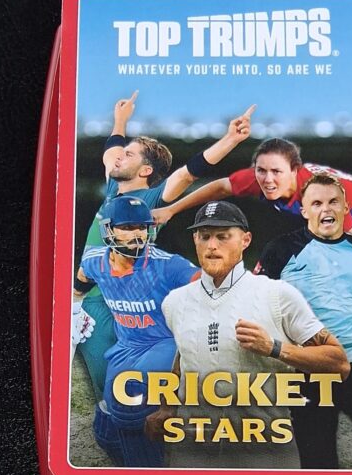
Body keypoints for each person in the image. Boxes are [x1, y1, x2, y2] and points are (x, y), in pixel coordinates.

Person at [75, 93, 256, 405]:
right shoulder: (113, 187)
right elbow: (111, 151)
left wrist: (230, 140)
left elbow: (189, 171)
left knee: (126, 389)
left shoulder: (154, 198)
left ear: (146, 171)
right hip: (94, 294)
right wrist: (120, 120)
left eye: (129, 155)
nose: (118, 158)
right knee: (107, 390)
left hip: (126, 299)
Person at [147, 201, 349, 469]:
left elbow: (339, 364)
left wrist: (274, 347)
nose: (212, 246)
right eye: (204, 236)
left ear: (245, 240)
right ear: (195, 239)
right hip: (193, 453)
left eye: (223, 236)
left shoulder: (277, 295)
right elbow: (184, 355)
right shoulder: (175, 302)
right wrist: (167, 408)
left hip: (265, 452)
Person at [257, 172, 352, 469]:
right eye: (316, 203)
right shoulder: (281, 249)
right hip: (306, 364)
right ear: (304, 210)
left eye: (333, 202)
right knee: (318, 459)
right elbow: (257, 302)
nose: (326, 209)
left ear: (345, 207)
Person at [74, 196, 199, 465]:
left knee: (129, 395)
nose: (138, 234)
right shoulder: (94, 261)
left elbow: (207, 283)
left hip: (166, 342)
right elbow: (82, 279)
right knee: (107, 433)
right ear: (108, 230)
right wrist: (74, 310)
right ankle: (152, 462)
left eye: (142, 227)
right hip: (126, 346)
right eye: (128, 227)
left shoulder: (167, 264)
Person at [153, 137, 352, 239]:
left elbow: (347, 244)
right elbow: (221, 187)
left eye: (276, 172)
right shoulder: (260, 177)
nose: (268, 180)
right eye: (261, 170)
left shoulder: (320, 193)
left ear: (294, 170)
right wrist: (171, 210)